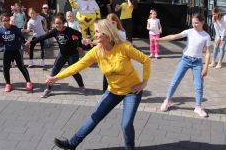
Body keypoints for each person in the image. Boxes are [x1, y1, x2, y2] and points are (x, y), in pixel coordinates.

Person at [46, 19, 150, 150]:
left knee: (126, 124)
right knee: (94, 117)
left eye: (97, 32)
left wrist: (144, 82)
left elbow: (145, 60)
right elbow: (77, 66)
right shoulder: (96, 51)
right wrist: (56, 78)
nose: (94, 35)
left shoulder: (124, 48)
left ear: (106, 34)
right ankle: (72, 144)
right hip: (113, 91)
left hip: (132, 91)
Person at [159, 13, 211, 118]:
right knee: (175, 80)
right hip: (185, 59)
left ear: (202, 22)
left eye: (196, 22)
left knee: (199, 85)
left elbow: (208, 53)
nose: (194, 25)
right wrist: (159, 39)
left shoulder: (206, 36)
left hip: (197, 62)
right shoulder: (189, 31)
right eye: (192, 23)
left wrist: (206, 68)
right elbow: (174, 36)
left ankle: (198, 107)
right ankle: (167, 100)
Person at [25, 13, 85, 98]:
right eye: (56, 23)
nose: (58, 25)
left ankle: (81, 86)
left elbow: (79, 34)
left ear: (63, 22)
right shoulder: (55, 31)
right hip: (62, 54)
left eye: (60, 23)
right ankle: (48, 89)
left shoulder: (69, 30)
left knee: (74, 72)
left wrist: (79, 46)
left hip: (73, 54)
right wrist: (31, 42)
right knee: (53, 72)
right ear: (54, 23)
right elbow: (43, 37)